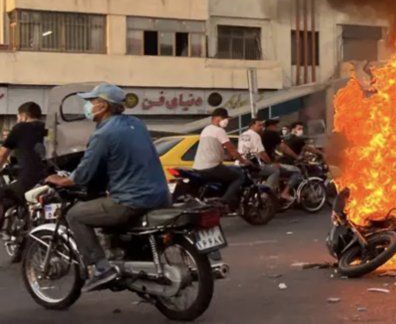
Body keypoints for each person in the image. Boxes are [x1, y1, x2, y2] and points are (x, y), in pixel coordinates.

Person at [44, 84, 170, 292]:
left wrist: (61, 180)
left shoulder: (103, 134)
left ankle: (102, 269)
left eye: (91, 102)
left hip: (131, 200)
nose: (88, 106)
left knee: (75, 215)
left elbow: (83, 175)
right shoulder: (137, 124)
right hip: (161, 195)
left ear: (102, 106)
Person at [192, 108, 250, 209]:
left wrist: (227, 157)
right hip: (211, 167)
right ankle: (225, 201)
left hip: (198, 167)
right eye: (225, 118)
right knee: (239, 176)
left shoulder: (206, 130)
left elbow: (212, 149)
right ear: (217, 118)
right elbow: (231, 148)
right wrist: (243, 160)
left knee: (232, 169)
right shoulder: (219, 131)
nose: (226, 120)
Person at [0, 102, 47, 209]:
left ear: (23, 116)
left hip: (28, 179)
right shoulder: (47, 128)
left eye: (18, 117)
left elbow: (2, 155)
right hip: (47, 177)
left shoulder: (20, 127)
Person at [260, 119, 303, 201]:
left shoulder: (262, 134)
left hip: (260, 163)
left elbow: (268, 149)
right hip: (268, 164)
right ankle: (285, 193)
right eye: (275, 125)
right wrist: (297, 157)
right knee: (297, 171)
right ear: (270, 126)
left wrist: (276, 157)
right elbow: (283, 148)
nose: (277, 127)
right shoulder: (272, 134)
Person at [238, 118, 281, 190]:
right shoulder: (255, 135)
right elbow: (261, 153)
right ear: (252, 125)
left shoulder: (242, 134)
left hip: (241, 163)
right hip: (251, 165)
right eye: (259, 125)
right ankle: (266, 192)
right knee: (275, 170)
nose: (261, 127)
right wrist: (270, 163)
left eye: (262, 125)